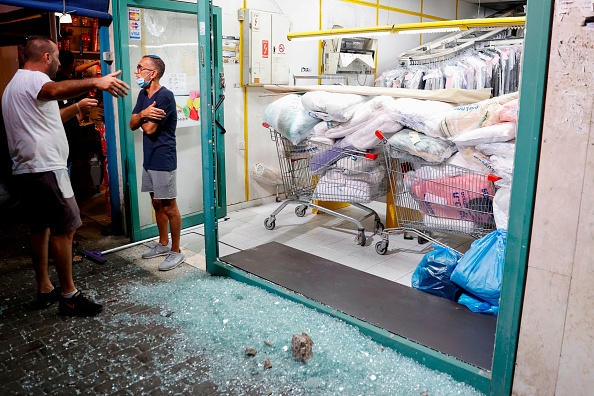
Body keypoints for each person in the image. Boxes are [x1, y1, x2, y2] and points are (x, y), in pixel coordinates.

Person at [1, 35, 129, 316]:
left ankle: (45, 288)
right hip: (46, 168)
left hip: (28, 169)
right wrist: (96, 81)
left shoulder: (14, 85)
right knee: (66, 227)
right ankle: (69, 296)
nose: (59, 61)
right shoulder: (35, 79)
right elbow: (54, 90)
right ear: (46, 57)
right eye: (57, 56)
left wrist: (77, 107)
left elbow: (47, 118)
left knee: (40, 227)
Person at [129, 55, 185, 271]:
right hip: (149, 156)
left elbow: (150, 129)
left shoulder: (165, 96)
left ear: (152, 73)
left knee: (169, 205)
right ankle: (163, 243)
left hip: (163, 157)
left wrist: (140, 119)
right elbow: (133, 124)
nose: (136, 72)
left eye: (140, 68)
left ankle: (176, 251)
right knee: (156, 203)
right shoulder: (143, 95)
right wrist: (144, 113)